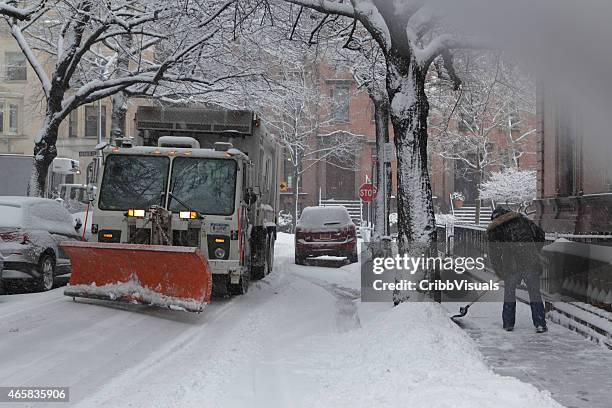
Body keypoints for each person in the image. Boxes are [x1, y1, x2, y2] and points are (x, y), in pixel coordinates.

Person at [487, 207, 547, 333]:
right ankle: (540, 323)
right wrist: (533, 250)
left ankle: (508, 323)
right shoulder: (522, 219)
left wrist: (499, 270)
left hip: (512, 265)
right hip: (530, 261)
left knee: (509, 293)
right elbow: (540, 234)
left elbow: (494, 253)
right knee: (534, 292)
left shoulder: (495, 228)